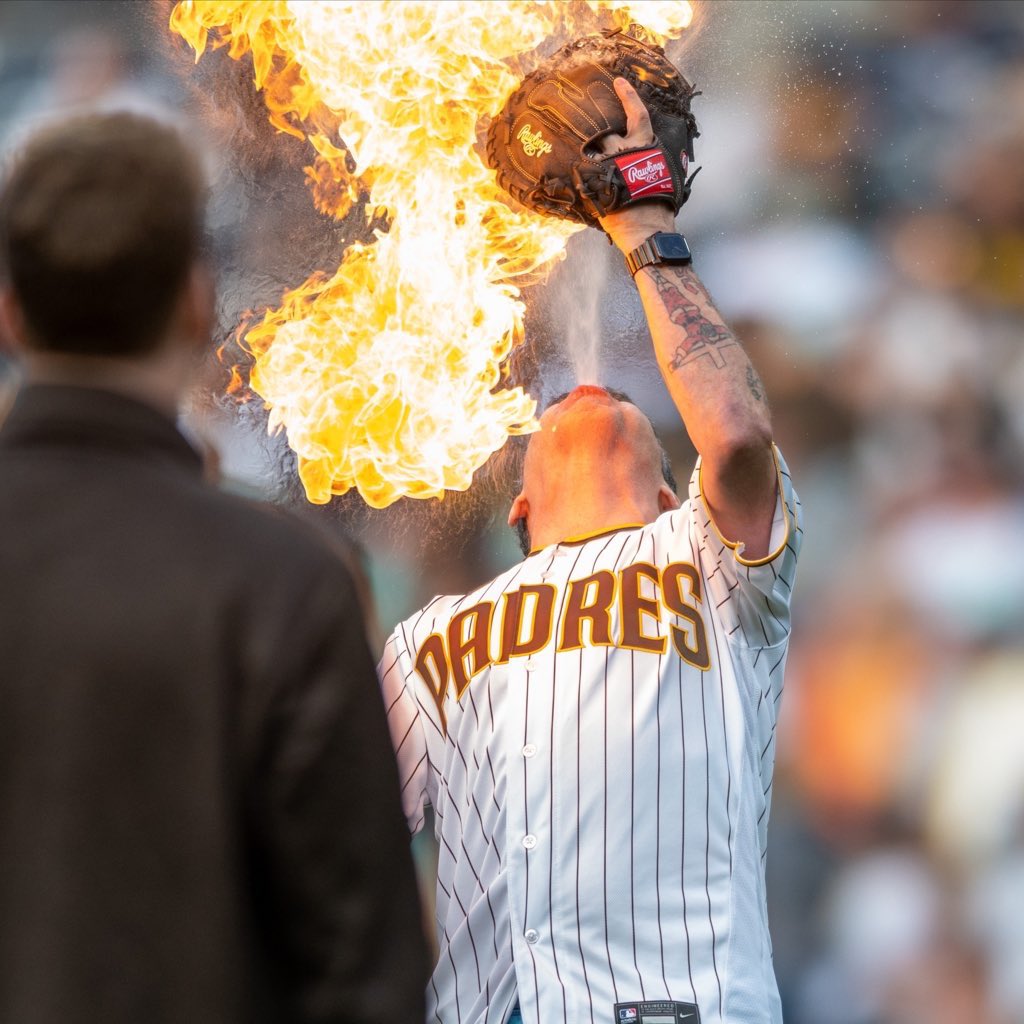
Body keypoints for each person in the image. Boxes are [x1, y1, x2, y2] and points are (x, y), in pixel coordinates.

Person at [378, 78, 803, 1024]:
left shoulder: (710, 564)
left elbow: (735, 435)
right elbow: (337, 838)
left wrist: (645, 225)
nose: (587, 388)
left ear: (668, 495)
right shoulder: (427, 638)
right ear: (518, 505)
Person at [0, 111, 429, 1024]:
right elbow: (365, 967)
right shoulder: (281, 582)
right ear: (198, 304)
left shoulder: (279, 582)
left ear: (10, 310)